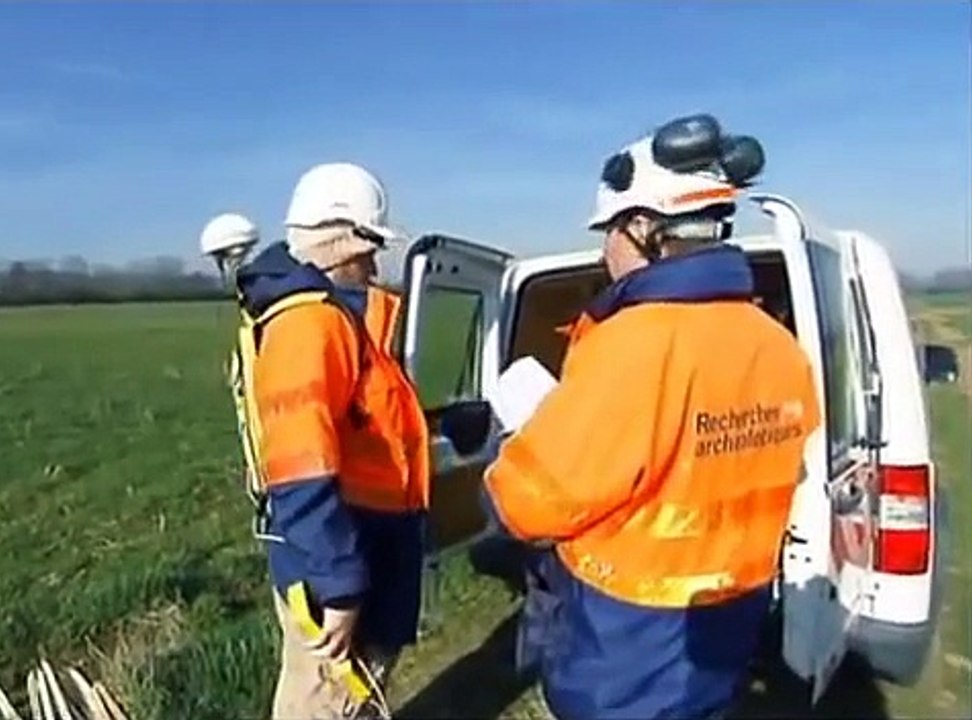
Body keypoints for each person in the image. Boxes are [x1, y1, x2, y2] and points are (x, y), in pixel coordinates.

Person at [479, 114, 822, 720]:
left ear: (642, 228)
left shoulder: (633, 343)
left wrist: (523, 442)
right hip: (726, 629)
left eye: (608, 229)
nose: (605, 247)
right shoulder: (778, 345)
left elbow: (532, 504)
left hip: (627, 648)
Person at [233, 162, 430, 719]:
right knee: (328, 702)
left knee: (352, 698)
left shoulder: (328, 319)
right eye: (370, 247)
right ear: (342, 238)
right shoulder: (309, 324)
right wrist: (339, 587)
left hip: (356, 546)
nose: (374, 263)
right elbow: (300, 467)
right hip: (341, 554)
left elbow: (365, 423)